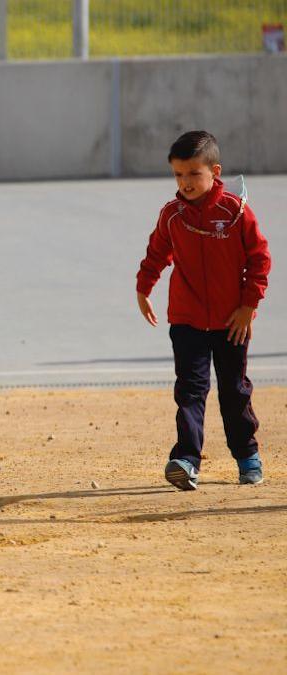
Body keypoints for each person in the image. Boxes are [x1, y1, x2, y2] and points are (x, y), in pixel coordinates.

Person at [136, 130, 271, 490]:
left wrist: (248, 306)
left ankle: (247, 456)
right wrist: (143, 288)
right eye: (178, 175)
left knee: (234, 391)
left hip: (232, 323)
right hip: (187, 319)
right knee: (190, 391)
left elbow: (259, 260)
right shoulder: (172, 215)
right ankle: (186, 460)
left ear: (215, 171)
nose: (185, 183)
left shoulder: (237, 212)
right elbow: (156, 254)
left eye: (194, 174)